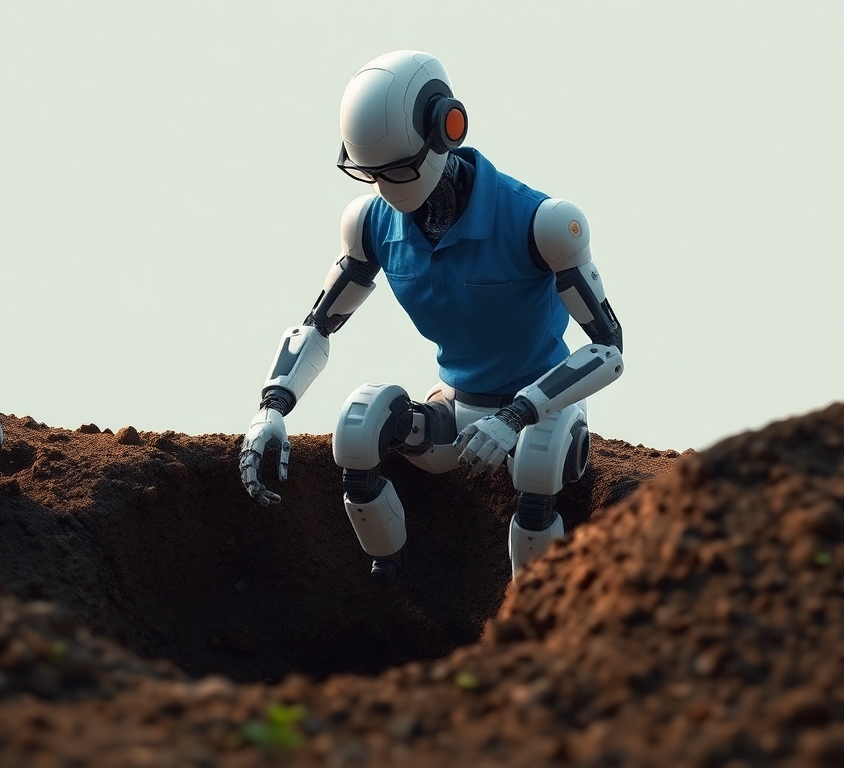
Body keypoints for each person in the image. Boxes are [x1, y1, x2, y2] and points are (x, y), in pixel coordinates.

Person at [238, 50, 624, 585]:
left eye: (397, 169)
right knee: (358, 423)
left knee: (537, 467)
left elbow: (608, 348)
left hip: (540, 413)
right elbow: (320, 321)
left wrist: (518, 415)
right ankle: (389, 576)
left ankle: (532, 620)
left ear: (448, 127)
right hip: (455, 417)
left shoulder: (541, 223)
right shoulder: (373, 223)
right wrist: (273, 406)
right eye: (372, 174)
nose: (388, 188)